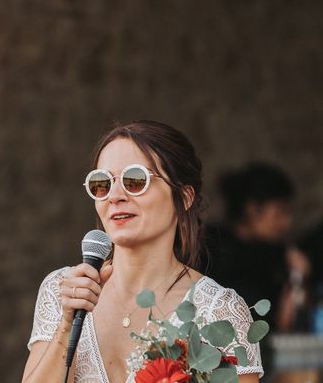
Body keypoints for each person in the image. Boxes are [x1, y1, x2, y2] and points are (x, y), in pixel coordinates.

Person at [22, 120, 263, 383]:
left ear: (183, 197)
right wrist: (66, 327)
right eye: (102, 183)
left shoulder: (220, 311)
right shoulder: (63, 290)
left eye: (134, 180)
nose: (114, 196)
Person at [204, 162, 310, 334]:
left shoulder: (279, 255)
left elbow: (291, 320)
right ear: (252, 209)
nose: (286, 223)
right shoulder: (211, 248)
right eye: (279, 213)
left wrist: (297, 279)